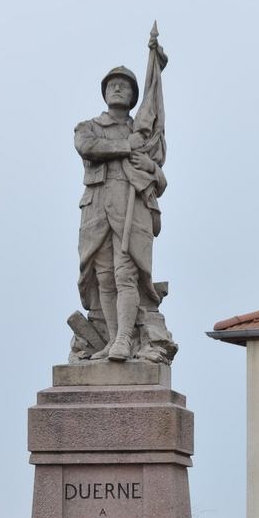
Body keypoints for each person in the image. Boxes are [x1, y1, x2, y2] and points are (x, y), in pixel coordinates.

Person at [74, 63, 174, 362]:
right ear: (104, 92)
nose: (118, 88)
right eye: (112, 84)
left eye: (125, 85)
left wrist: (152, 168)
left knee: (125, 275)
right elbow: (87, 147)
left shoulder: (144, 134)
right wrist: (124, 146)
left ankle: (124, 339)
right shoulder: (88, 126)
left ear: (133, 96)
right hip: (97, 210)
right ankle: (111, 338)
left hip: (132, 211)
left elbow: (161, 181)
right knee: (104, 277)